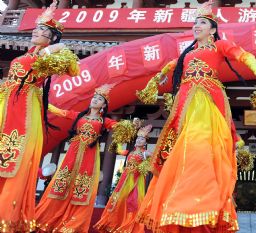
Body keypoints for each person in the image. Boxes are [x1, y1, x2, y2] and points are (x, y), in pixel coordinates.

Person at [135, 1, 256, 232]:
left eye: (201, 23)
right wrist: (157, 80)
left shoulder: (219, 46)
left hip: (207, 102)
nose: (196, 26)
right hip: (184, 106)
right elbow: (169, 66)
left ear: (212, 29)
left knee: (202, 149)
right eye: (194, 23)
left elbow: (243, 56)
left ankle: (204, 204)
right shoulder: (187, 53)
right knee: (182, 151)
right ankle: (179, 205)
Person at [0, 1, 78, 231]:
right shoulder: (29, 55)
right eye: (37, 27)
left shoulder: (54, 52)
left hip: (22, 111)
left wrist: (50, 49)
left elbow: (72, 67)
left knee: (14, 157)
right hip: (7, 106)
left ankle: (6, 216)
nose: (37, 31)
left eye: (44, 30)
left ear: (53, 37)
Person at [35, 84, 133, 232]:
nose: (95, 100)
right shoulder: (79, 116)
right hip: (73, 153)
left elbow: (117, 126)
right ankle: (48, 219)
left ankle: (72, 225)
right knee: (62, 183)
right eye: (94, 97)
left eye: (99, 99)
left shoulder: (103, 121)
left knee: (82, 188)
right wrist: (43, 100)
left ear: (103, 105)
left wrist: (130, 124)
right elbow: (61, 112)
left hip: (89, 155)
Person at [94, 123, 153, 233]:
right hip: (125, 179)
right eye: (138, 138)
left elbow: (152, 161)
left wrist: (144, 165)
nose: (139, 140)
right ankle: (116, 223)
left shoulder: (146, 153)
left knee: (133, 201)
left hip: (135, 181)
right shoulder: (131, 152)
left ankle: (130, 226)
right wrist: (119, 138)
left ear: (145, 143)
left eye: (142, 139)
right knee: (120, 200)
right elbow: (118, 150)